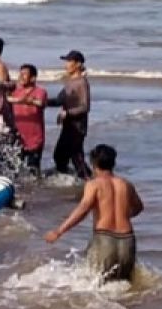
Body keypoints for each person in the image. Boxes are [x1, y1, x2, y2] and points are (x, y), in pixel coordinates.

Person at [44, 143, 143, 282]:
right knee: (123, 286)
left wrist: (59, 231)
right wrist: (121, 214)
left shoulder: (94, 184)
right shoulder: (126, 184)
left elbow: (83, 209)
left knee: (96, 288)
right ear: (113, 163)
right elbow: (138, 207)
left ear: (94, 164)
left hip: (104, 240)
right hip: (127, 241)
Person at [48, 50, 92, 179]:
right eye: (66, 61)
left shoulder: (82, 82)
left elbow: (85, 107)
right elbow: (59, 100)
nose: (66, 65)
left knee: (76, 157)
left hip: (78, 128)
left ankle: (88, 182)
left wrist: (67, 113)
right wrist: (40, 102)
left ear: (78, 64)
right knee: (60, 155)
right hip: (68, 126)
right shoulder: (70, 81)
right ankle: (69, 180)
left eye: (69, 61)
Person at [8, 64, 47, 176]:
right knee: (13, 171)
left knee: (33, 172)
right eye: (20, 74)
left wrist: (29, 101)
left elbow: (40, 103)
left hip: (35, 140)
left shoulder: (40, 92)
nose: (21, 76)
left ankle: (35, 192)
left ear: (33, 78)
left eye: (24, 74)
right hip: (18, 138)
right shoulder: (15, 92)